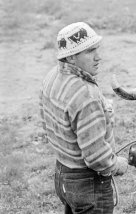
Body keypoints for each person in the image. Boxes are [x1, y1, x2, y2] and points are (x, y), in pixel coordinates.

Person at [39, 22, 128, 214]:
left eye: (97, 49)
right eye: (89, 52)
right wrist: (116, 165)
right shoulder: (86, 94)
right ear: (71, 56)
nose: (98, 57)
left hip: (63, 174)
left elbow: (47, 121)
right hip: (88, 183)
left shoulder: (52, 77)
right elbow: (96, 158)